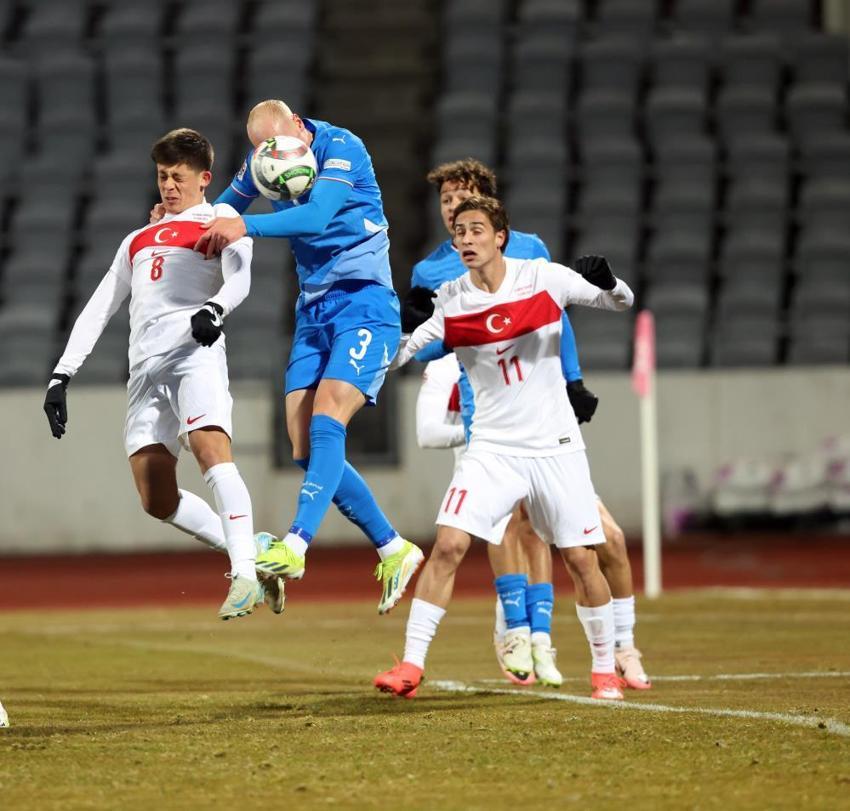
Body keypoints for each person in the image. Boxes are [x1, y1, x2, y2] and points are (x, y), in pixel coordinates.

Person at [375, 196, 634, 700]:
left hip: (555, 446)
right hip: (492, 448)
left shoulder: (543, 278)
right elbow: (399, 358)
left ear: (501, 237)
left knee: (581, 559)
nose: (466, 239)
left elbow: (619, 302)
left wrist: (610, 282)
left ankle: (605, 669)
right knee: (448, 545)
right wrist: (399, 328)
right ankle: (410, 665)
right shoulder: (451, 299)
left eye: (476, 229)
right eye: (459, 232)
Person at [186, 99, 423, 613]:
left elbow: (315, 217)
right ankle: (394, 548)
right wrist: (179, 223)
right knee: (302, 446)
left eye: (277, 143)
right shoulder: (263, 160)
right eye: (261, 150)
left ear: (298, 125)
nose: (271, 155)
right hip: (314, 309)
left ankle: (295, 545)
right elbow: (223, 209)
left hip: (364, 301)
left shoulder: (343, 147)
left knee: (328, 416)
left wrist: (246, 227)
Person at [43, 128, 283, 620]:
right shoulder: (137, 239)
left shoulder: (222, 220)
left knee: (211, 451)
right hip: (144, 371)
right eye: (162, 177)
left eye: (178, 176)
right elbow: (101, 306)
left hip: (195, 353)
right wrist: (62, 375)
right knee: (156, 498)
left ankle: (242, 574)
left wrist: (214, 309)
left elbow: (240, 278)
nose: (169, 186)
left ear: (204, 178)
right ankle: (251, 551)